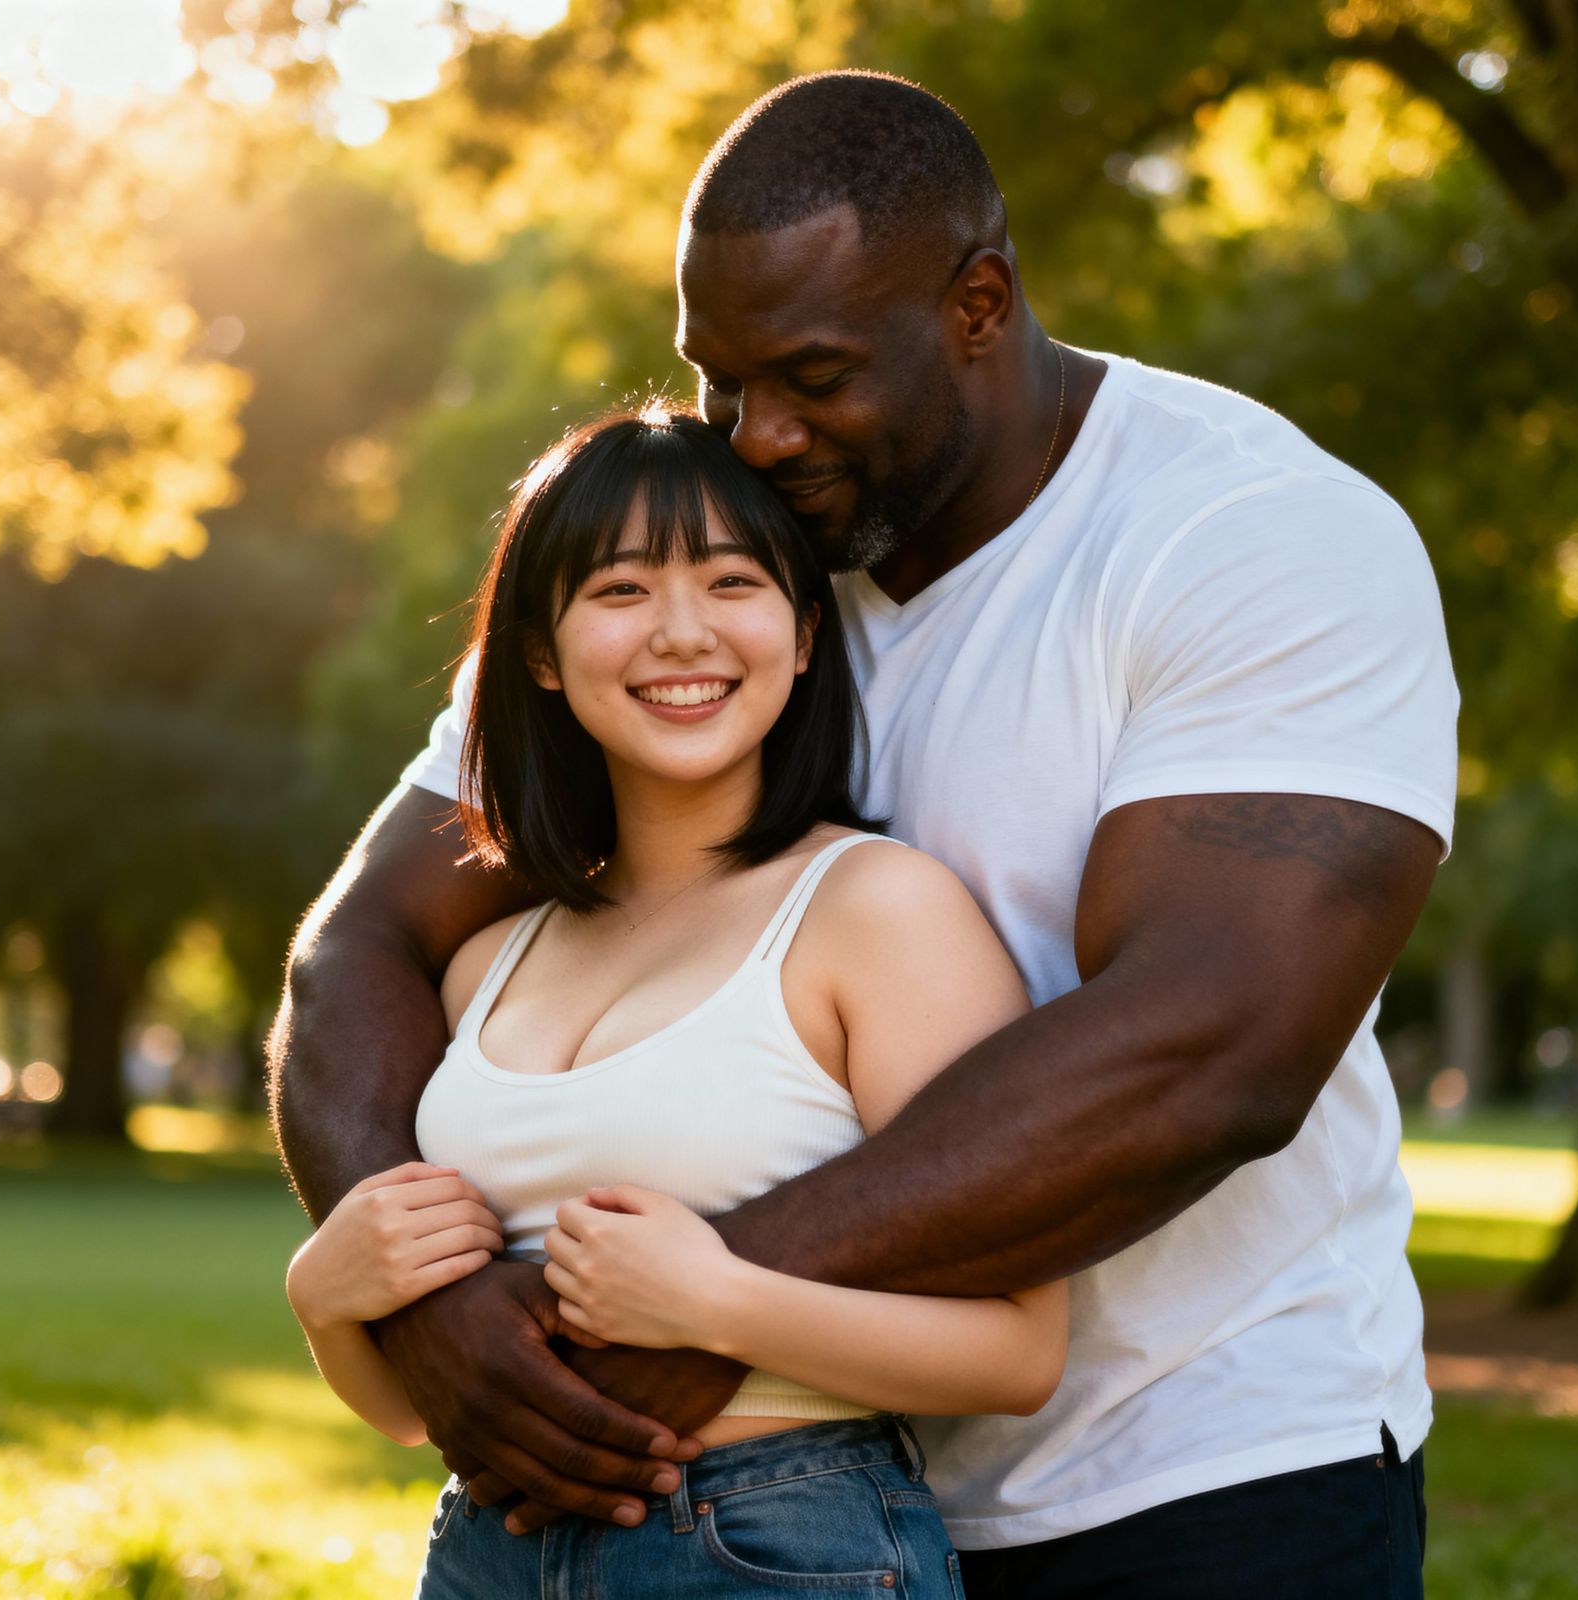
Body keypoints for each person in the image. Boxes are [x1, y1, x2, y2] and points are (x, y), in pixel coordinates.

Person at [269, 71, 1457, 1599]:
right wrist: (417, 1292)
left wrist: (712, 1303)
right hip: (765, 1508)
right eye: (719, 381)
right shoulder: (726, 568)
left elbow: (1210, 1047)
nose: (756, 436)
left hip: (1202, 1477)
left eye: (814, 375)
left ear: (978, 304)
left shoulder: (1252, 537)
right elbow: (365, 938)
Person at [282, 407, 1066, 1597]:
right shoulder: (485, 960)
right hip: (485, 1553)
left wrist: (724, 1302)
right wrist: (327, 1300)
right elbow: (408, 1408)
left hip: (773, 1546)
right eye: (620, 590)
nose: (682, 632)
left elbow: (1018, 1347)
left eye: (732, 581)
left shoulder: (877, 912)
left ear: (804, 634)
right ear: (539, 652)